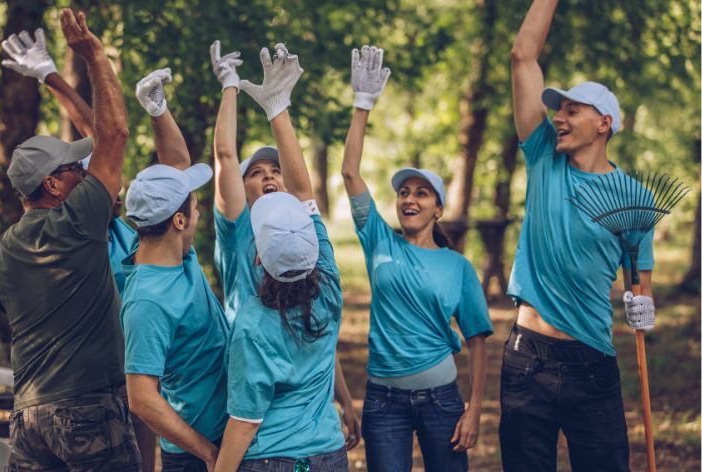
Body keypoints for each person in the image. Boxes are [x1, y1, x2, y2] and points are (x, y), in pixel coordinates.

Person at [0, 9, 140, 470]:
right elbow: (112, 134)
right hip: (89, 414)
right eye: (76, 168)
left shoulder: (2, 250)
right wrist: (94, 55)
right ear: (53, 185)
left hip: (30, 420)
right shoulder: (78, 221)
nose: (85, 170)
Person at [502, 1, 656, 470]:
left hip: (593, 361)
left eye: (573, 109)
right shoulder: (543, 155)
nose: (559, 117)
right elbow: (522, 58)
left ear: (604, 123)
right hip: (527, 358)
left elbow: (640, 281)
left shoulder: (635, 198)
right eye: (558, 109)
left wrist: (643, 307)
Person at [0, 28, 160, 470]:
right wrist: (69, 67)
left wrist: (51, 75)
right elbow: (105, 133)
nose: (113, 185)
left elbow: (99, 134)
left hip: (134, 373)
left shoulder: (124, 233)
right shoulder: (76, 234)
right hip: (93, 389)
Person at [341, 45, 492, 472]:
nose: (410, 198)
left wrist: (474, 408)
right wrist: (362, 104)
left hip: (442, 399)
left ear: (437, 208)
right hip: (382, 402)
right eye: (404, 192)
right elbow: (350, 173)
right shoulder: (379, 242)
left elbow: (478, 340)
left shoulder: (458, 267)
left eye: (421, 192)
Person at [209, 39, 361, 449]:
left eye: (274, 169)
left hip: (276, 443)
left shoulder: (306, 243)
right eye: (255, 172)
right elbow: (225, 156)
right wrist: (231, 88)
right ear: (241, 190)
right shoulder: (239, 231)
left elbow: (318, 331)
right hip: (260, 412)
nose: (268, 176)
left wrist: (343, 398)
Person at [121, 71, 229, 472]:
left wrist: (157, 109)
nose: (199, 209)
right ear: (179, 221)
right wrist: (209, 454)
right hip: (195, 454)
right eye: (194, 207)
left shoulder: (169, 247)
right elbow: (142, 398)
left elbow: (178, 166)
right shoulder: (148, 302)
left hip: (230, 433)